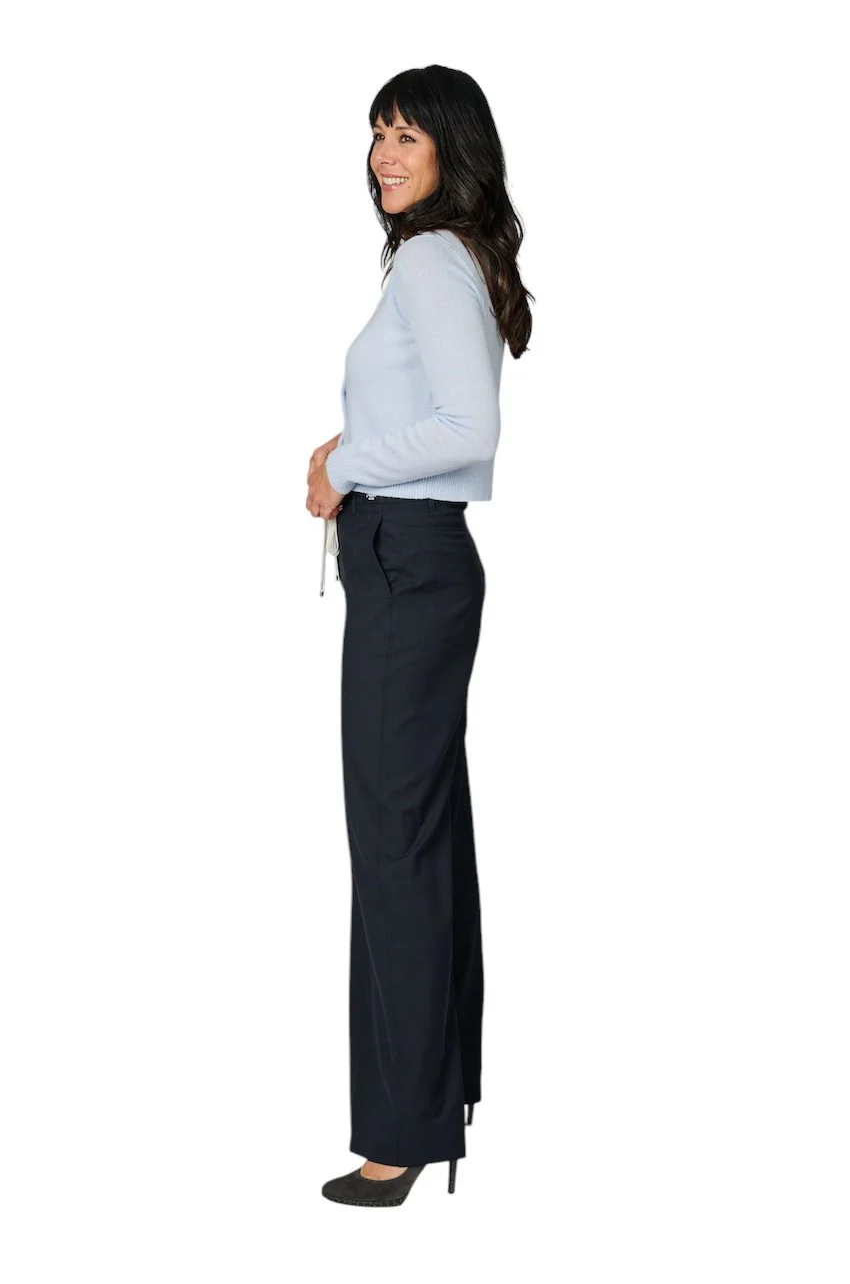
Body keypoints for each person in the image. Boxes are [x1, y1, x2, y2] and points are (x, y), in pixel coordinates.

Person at [306, 64, 533, 1208]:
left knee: (395, 845)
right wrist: (350, 456)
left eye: (407, 134)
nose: (385, 154)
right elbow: (436, 418)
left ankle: (399, 1135)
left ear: (452, 147)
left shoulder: (435, 258)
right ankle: (439, 1100)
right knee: (421, 838)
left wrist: (344, 463)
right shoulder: (443, 257)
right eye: (376, 134)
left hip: (408, 566)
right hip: (413, 567)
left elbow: (467, 428)